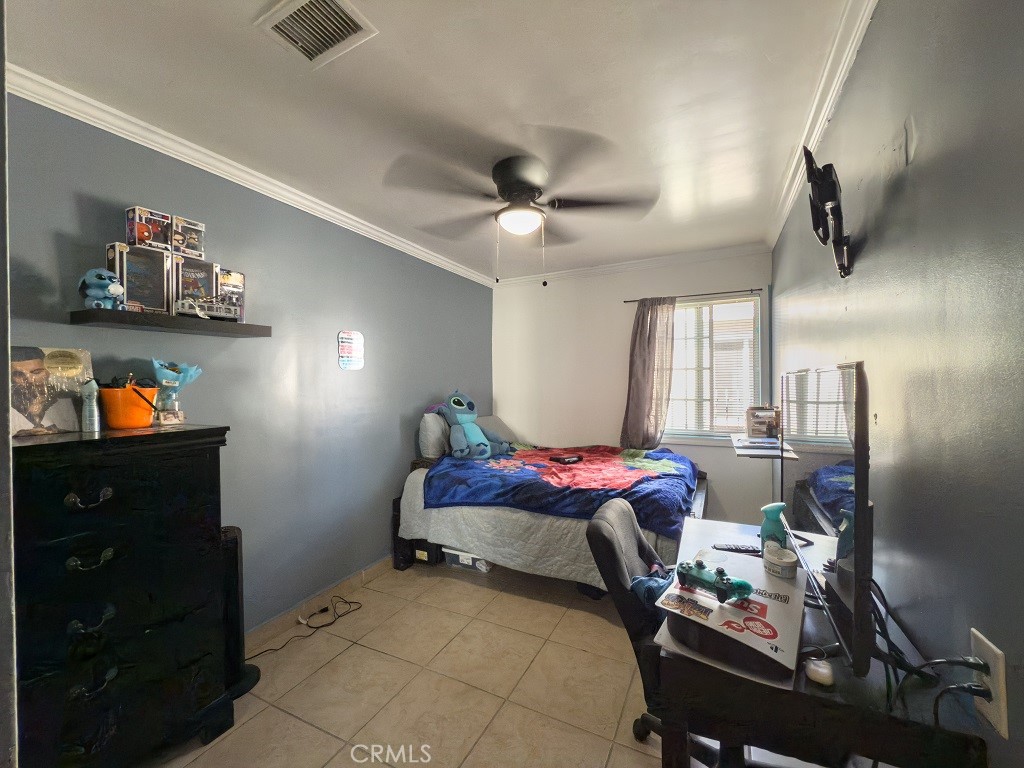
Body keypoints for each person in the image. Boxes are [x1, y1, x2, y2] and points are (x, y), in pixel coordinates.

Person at [10, 347, 78, 436]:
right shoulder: (5, 403)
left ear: (48, 372)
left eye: (36, 372)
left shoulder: (73, 399)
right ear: (10, 378)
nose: (30, 380)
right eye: (19, 374)